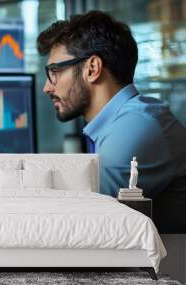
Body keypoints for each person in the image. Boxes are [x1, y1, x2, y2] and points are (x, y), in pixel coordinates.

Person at [37, 10, 186, 232]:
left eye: (55, 71)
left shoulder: (138, 124)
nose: (47, 87)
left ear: (92, 68)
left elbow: (80, 220)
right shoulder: (121, 122)